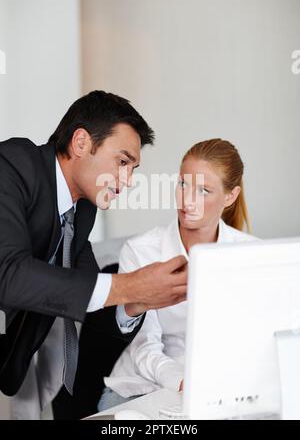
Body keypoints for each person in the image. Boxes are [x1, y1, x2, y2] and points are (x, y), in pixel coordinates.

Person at [0, 90, 187, 419]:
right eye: (123, 161)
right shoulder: (12, 164)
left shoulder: (81, 210)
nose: (127, 181)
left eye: (133, 169)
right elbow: (9, 275)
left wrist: (137, 302)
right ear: (82, 142)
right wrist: (129, 286)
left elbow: (92, 299)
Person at [98, 138, 258, 411]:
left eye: (203, 190)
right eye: (183, 184)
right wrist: (183, 380)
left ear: (230, 197)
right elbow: (144, 345)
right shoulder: (141, 251)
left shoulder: (252, 254)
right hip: (144, 385)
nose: (187, 200)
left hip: (223, 389)